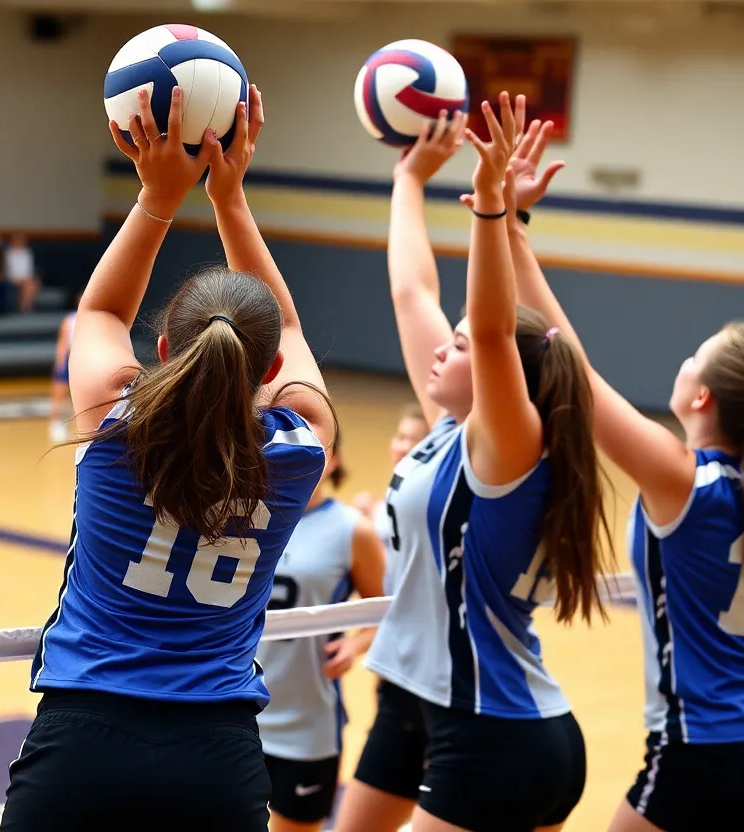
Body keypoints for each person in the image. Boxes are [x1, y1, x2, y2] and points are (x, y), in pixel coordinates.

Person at [0, 85, 334, 832]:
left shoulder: (116, 428)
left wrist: (158, 196)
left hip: (84, 741)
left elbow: (99, 313)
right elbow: (290, 325)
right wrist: (230, 201)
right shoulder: (301, 449)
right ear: (273, 364)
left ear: (160, 352)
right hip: (217, 754)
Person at [501, 106, 744, 831]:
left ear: (700, 395)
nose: (682, 362)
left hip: (710, 750)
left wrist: (511, 226)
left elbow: (569, 361)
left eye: (693, 354)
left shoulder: (688, 481)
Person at [335, 95, 612, 832]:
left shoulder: (509, 449)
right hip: (424, 705)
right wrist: (407, 180)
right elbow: (411, 291)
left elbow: (490, 330)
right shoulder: (449, 433)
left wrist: (492, 212)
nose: (442, 347)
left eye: (456, 346)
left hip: (499, 734)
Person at [256, 431, 386, 832]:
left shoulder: (352, 530)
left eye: (319, 446)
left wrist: (356, 644)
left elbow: (386, 610)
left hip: (307, 727)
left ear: (335, 460)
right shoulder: (248, 515)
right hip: (236, 713)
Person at [350, 403, 429, 587]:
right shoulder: (376, 509)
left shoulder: (431, 504)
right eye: (401, 437)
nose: (404, 446)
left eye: (414, 439)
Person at [48, 302, 77, 443]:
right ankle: (56, 424)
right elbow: (62, 342)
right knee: (59, 393)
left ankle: (77, 427)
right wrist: (60, 363)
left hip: (83, 358)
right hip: (70, 358)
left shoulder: (96, 320)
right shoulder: (70, 319)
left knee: (78, 396)